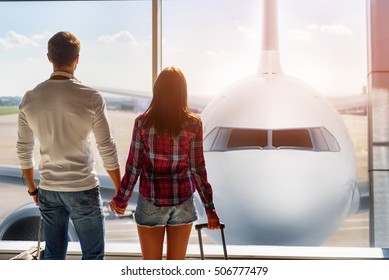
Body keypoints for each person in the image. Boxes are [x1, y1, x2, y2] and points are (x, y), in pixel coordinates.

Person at [16, 31, 121, 260]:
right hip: (82, 187)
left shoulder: (30, 98)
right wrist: (119, 187)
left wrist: (34, 188)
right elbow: (106, 147)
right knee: (92, 256)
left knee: (54, 255)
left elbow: (24, 150)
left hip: (49, 190)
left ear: (49, 58)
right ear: (77, 59)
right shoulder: (91, 97)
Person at [109, 66, 220, 260]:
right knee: (175, 268)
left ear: (157, 91)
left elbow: (134, 167)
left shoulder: (142, 123)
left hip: (151, 200)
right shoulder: (194, 124)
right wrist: (210, 208)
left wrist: (121, 200)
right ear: (182, 93)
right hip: (183, 200)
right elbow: (197, 169)